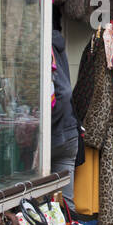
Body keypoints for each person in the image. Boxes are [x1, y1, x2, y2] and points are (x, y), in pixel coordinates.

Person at [49, 27, 81, 210]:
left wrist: (45, 128)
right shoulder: (58, 44)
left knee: (41, 205)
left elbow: (62, 93)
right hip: (69, 132)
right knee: (66, 206)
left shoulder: (46, 46)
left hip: (57, 135)